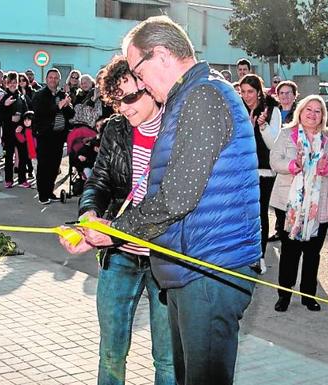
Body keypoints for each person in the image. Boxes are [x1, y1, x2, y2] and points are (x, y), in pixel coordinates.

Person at [75, 16, 260, 385]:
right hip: (189, 269)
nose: (140, 84)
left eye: (139, 73)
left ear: (160, 55)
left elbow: (176, 196)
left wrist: (114, 232)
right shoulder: (189, 97)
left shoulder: (202, 96)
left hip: (208, 271)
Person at [61, 55, 174, 385]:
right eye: (116, 102)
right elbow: (99, 181)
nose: (123, 108)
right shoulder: (115, 129)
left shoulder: (179, 130)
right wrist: (88, 214)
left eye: (129, 97)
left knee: (167, 360)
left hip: (164, 259)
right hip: (119, 256)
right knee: (111, 351)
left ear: (149, 86)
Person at [270, 95, 328, 313]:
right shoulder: (286, 134)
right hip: (289, 204)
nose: (312, 114)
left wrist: (325, 169)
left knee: (312, 253)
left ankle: (308, 295)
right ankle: (284, 294)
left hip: (320, 205)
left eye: (317, 111)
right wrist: (294, 164)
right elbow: (275, 162)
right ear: (300, 112)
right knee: (290, 252)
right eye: (308, 110)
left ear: (323, 115)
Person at [239, 74, 282, 274]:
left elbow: (274, 144)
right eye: (243, 91)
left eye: (250, 91)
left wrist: (262, 126)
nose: (246, 96)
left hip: (264, 171)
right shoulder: (238, 109)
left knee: (261, 213)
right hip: (242, 171)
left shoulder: (273, 110)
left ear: (259, 91)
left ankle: (260, 256)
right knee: (243, 215)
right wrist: (247, 127)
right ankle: (243, 254)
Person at [31, 68, 74, 204]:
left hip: (59, 135)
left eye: (56, 78)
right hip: (45, 135)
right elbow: (41, 112)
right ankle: (42, 194)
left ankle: (49, 191)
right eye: (51, 77)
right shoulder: (39, 95)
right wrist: (58, 107)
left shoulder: (62, 94)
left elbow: (71, 114)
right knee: (44, 165)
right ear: (46, 79)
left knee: (54, 166)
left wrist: (66, 105)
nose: (53, 80)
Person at [0, 71, 29, 188]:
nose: (12, 85)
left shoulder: (21, 96)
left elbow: (27, 113)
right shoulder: (3, 97)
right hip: (8, 131)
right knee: (8, 156)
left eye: (14, 82)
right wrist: (8, 115)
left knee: (23, 156)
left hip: (20, 132)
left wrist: (22, 124)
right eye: (10, 82)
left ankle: (22, 179)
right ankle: (8, 180)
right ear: (6, 84)